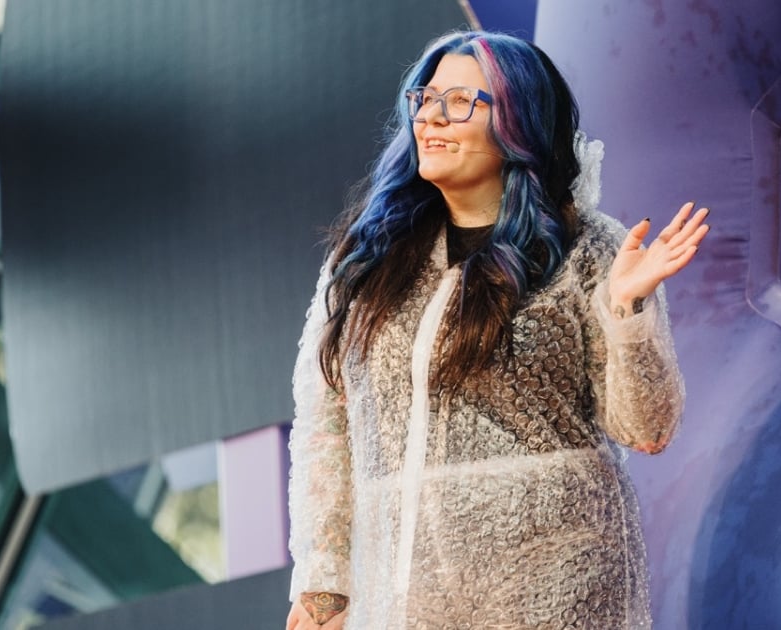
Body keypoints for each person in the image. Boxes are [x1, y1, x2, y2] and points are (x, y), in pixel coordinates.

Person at [285, 30, 708, 629]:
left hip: (558, 578)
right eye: (425, 99)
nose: (431, 118)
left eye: (460, 103)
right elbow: (326, 424)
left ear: (518, 123)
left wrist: (628, 312)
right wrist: (324, 582)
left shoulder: (588, 247)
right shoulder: (371, 259)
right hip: (405, 591)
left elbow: (646, 428)